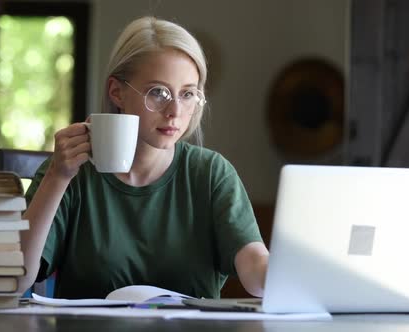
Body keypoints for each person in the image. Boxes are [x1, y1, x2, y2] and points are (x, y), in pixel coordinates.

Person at [20, 16, 269, 299]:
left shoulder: (212, 174)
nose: (175, 110)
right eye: (159, 92)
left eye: (188, 94)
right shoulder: (68, 173)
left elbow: (255, 269)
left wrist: (297, 273)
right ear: (117, 92)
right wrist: (57, 177)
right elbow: (17, 279)